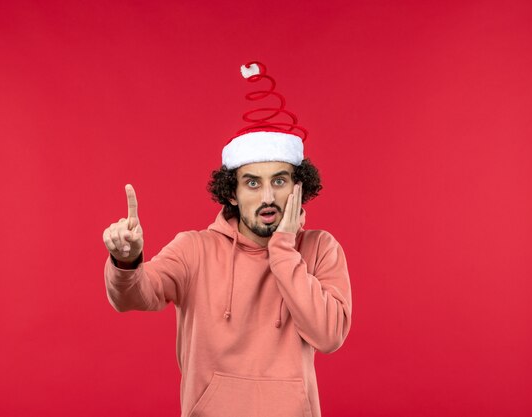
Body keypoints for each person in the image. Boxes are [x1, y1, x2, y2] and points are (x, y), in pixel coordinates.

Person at [103, 62, 352, 417]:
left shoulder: (320, 248)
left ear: (298, 187)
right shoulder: (195, 249)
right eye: (252, 182)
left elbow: (329, 335)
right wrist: (126, 262)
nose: (267, 196)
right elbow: (135, 296)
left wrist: (283, 247)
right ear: (231, 193)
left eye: (279, 181)